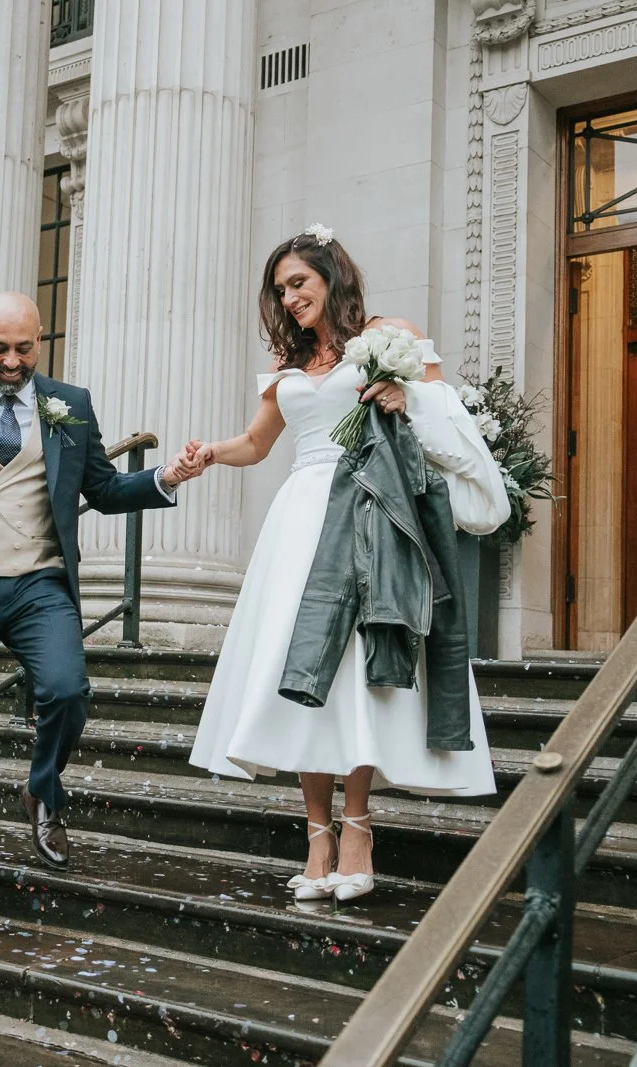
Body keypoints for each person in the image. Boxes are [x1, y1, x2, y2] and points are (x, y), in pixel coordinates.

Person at [181, 227, 506, 904]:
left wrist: (404, 398)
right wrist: (208, 454)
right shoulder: (287, 361)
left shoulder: (389, 336)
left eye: (299, 282)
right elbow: (256, 442)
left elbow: (446, 415)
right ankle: (317, 836)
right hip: (299, 518)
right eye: (280, 289)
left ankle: (357, 828)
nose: (290, 298)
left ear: (331, 274)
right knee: (296, 667)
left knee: (357, 669)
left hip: (366, 511)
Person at [0, 291, 200, 940]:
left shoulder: (68, 404)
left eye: (26, 348)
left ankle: (41, 787)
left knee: (66, 688)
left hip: (39, 585)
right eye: (1, 348)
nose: (14, 361)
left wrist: (166, 476)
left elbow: (102, 489)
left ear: (40, 339)